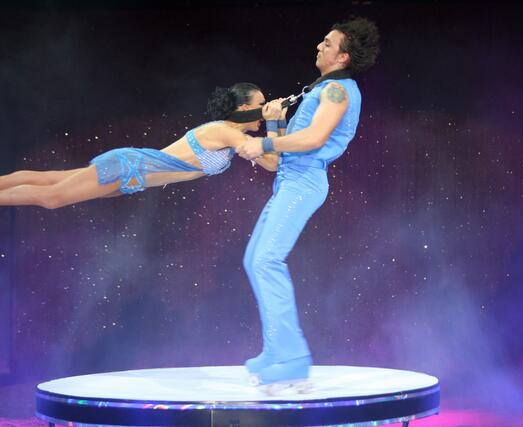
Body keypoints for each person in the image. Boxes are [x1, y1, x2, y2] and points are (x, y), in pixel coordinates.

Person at [236, 17, 380, 387]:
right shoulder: (325, 88)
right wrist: (275, 124)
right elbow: (283, 156)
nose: (319, 45)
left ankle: (294, 358)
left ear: (343, 57)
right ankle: (277, 350)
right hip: (290, 180)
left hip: (303, 182)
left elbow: (314, 139)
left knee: (267, 260)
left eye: (328, 43)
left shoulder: (337, 91)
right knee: (255, 260)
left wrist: (264, 142)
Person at [0, 83, 284, 208]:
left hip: (132, 178)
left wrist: (278, 121)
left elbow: (275, 160)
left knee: (51, 181)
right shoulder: (225, 132)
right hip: (128, 167)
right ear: (244, 107)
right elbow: (272, 163)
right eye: (261, 104)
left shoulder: (232, 139)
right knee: (51, 198)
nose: (264, 109)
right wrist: (273, 121)